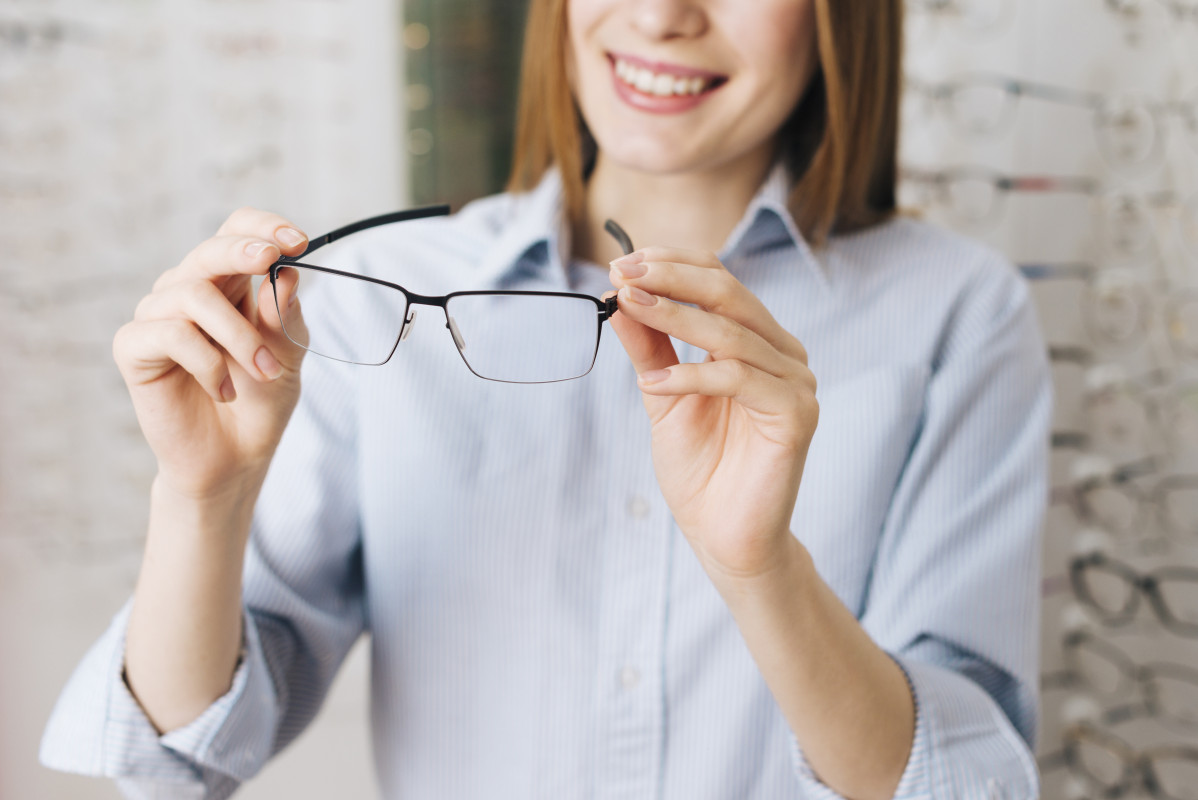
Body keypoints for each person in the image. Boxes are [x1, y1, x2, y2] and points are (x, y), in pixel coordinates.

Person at [41, 0, 1051, 798]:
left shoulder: (955, 311)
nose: (660, 15)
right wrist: (201, 496)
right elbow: (173, 759)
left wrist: (761, 566)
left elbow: (962, 784)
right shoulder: (373, 299)